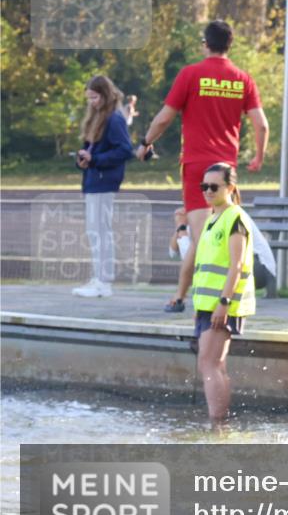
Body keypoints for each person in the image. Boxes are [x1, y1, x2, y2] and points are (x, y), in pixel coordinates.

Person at [136, 20, 269, 314]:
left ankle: (187, 297)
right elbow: (261, 124)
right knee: (221, 231)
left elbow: (164, 118)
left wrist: (145, 142)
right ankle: (208, 293)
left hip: (198, 168)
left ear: (205, 44)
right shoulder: (243, 79)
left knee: (202, 237)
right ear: (230, 45)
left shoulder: (191, 74)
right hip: (226, 169)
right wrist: (259, 158)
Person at [191, 163, 255, 429]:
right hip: (207, 304)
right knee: (214, 364)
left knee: (209, 363)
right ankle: (220, 424)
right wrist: (199, 306)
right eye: (204, 186)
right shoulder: (212, 218)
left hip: (222, 304)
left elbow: (236, 265)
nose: (207, 191)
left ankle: (217, 425)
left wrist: (224, 303)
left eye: (214, 187)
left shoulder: (235, 218)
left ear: (230, 188)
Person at [72, 75, 135, 298]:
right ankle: (99, 277)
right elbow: (92, 151)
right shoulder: (97, 118)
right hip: (93, 180)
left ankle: (104, 282)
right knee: (94, 231)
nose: (92, 102)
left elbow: (125, 150)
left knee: (100, 231)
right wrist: (83, 160)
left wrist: (96, 160)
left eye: (95, 97)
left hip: (103, 181)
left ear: (105, 95)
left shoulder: (114, 119)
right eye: (89, 98)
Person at [169, 204, 276, 291]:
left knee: (205, 261)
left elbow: (195, 259)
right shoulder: (200, 216)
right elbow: (172, 252)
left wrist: (181, 228)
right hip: (248, 266)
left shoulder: (226, 213)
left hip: (260, 268)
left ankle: (224, 301)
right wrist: (181, 225)